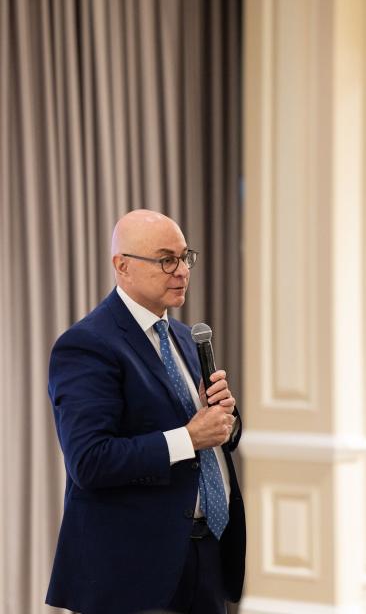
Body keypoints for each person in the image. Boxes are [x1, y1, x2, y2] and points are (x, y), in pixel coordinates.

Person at [45, 210, 246, 614]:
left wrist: (226, 417)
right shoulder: (87, 344)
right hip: (132, 569)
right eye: (166, 259)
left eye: (185, 257)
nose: (182, 271)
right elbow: (90, 461)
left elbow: (214, 438)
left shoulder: (185, 338)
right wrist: (189, 437)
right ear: (122, 266)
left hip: (206, 554)